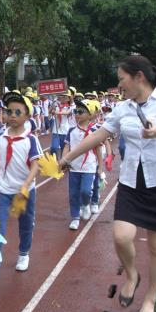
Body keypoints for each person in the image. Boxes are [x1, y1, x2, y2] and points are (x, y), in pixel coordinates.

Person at [59, 55, 156, 312]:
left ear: (139, 77)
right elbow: (99, 135)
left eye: (122, 79)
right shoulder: (123, 108)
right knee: (121, 236)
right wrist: (67, 158)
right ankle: (132, 274)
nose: (119, 85)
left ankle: (150, 298)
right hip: (132, 181)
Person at [0, 91, 42, 281]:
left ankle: (24, 253)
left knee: (25, 225)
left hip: (24, 191)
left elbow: (36, 165)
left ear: (27, 115)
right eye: (9, 112)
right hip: (2, 189)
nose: (12, 116)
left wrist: (25, 186)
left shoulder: (31, 140)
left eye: (18, 112)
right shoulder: (1, 136)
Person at [62, 99, 101, 231]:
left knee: (85, 191)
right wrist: (64, 160)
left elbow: (98, 149)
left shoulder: (95, 130)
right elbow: (67, 147)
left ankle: (85, 204)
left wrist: (100, 166)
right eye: (75, 111)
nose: (77, 114)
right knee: (73, 193)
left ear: (90, 115)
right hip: (74, 168)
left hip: (89, 167)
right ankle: (75, 217)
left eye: (81, 111)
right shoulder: (71, 130)